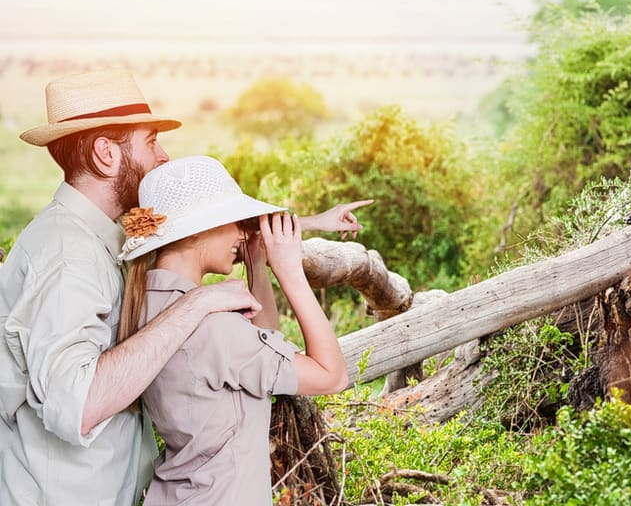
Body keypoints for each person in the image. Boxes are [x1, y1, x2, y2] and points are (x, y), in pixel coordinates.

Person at [0, 70, 368, 505]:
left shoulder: (103, 231)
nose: (163, 155)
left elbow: (178, 226)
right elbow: (77, 406)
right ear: (105, 154)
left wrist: (308, 223)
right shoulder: (67, 258)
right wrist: (198, 303)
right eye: (151, 140)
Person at [118, 155, 348, 504]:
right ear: (198, 230)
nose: (242, 232)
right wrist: (290, 273)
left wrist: (256, 261)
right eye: (232, 222)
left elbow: (261, 342)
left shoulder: (146, 304)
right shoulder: (210, 325)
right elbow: (332, 376)